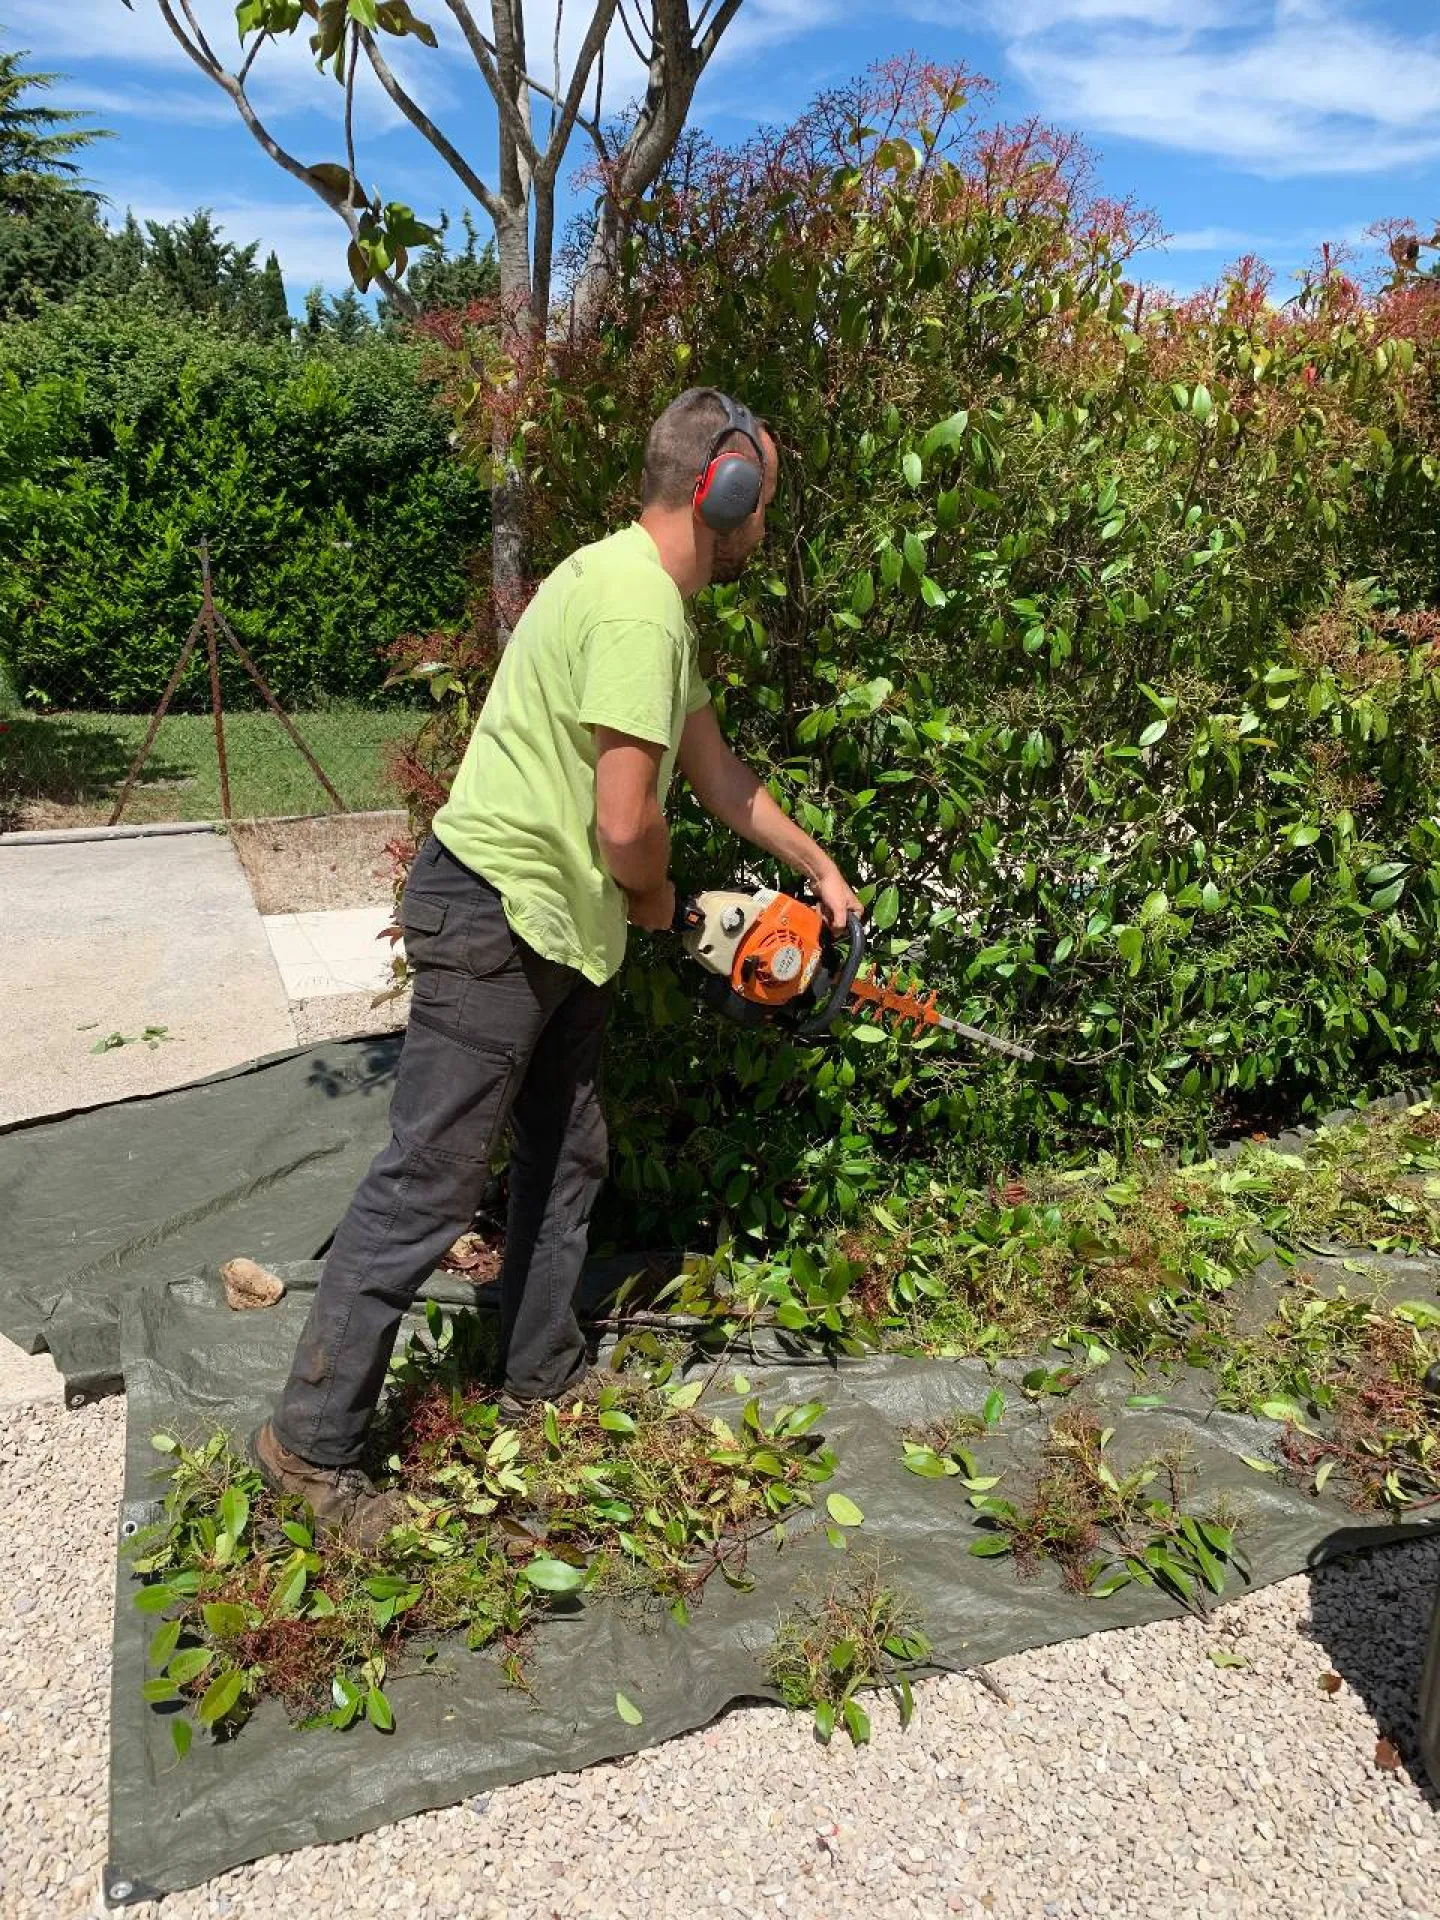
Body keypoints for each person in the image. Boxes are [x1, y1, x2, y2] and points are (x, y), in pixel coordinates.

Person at [249, 387, 863, 1543]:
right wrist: (668, 905)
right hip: (498, 914)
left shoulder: (639, 594)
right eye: (762, 503)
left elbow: (719, 775)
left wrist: (815, 868)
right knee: (429, 1179)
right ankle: (309, 1444)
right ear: (719, 490)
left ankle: (538, 1373)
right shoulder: (637, 609)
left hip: (552, 923)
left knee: (568, 1147)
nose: (766, 528)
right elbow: (628, 827)